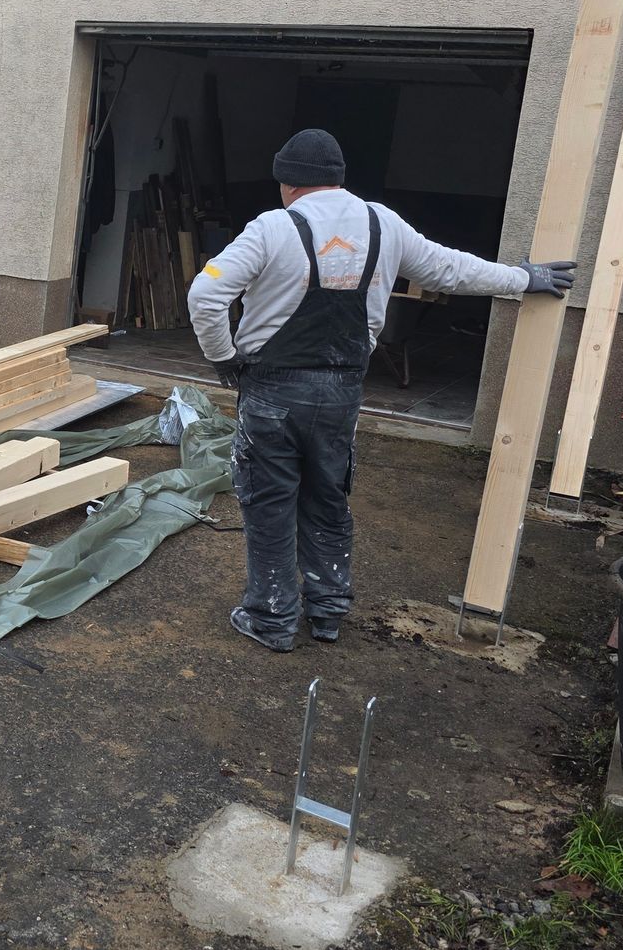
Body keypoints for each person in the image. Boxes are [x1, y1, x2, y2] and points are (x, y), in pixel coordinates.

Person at [185, 128, 576, 652]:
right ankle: (327, 613)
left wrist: (224, 359)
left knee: (269, 502)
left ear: (287, 183)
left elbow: (206, 295)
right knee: (327, 499)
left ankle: (272, 619)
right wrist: (524, 279)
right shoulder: (382, 223)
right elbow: (450, 269)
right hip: (342, 392)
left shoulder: (273, 228)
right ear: (339, 179)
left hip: (273, 392)